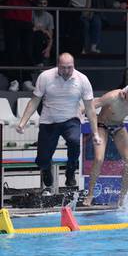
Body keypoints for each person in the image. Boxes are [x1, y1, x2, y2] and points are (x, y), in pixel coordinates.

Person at [16, 52, 102, 193]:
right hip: (49, 120)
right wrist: (22, 122)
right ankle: (46, 168)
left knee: (75, 141)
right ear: (58, 66)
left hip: (71, 119)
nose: (67, 71)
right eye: (63, 68)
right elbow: (34, 101)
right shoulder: (45, 77)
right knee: (43, 158)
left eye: (70, 67)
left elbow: (90, 108)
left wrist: (96, 133)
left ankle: (70, 170)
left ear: (74, 66)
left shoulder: (82, 79)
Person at [0, 0, 36, 91]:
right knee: (12, 51)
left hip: (26, 20)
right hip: (9, 19)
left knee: (27, 50)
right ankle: (14, 80)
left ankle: (27, 80)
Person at [32, 0, 54, 67]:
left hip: (43, 38)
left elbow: (50, 36)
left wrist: (48, 49)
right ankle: (39, 63)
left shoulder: (49, 16)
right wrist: (41, 29)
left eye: (44, 4)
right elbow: (29, 31)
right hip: (32, 37)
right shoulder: (31, 14)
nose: (42, 6)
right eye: (40, 3)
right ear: (37, 4)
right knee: (38, 35)